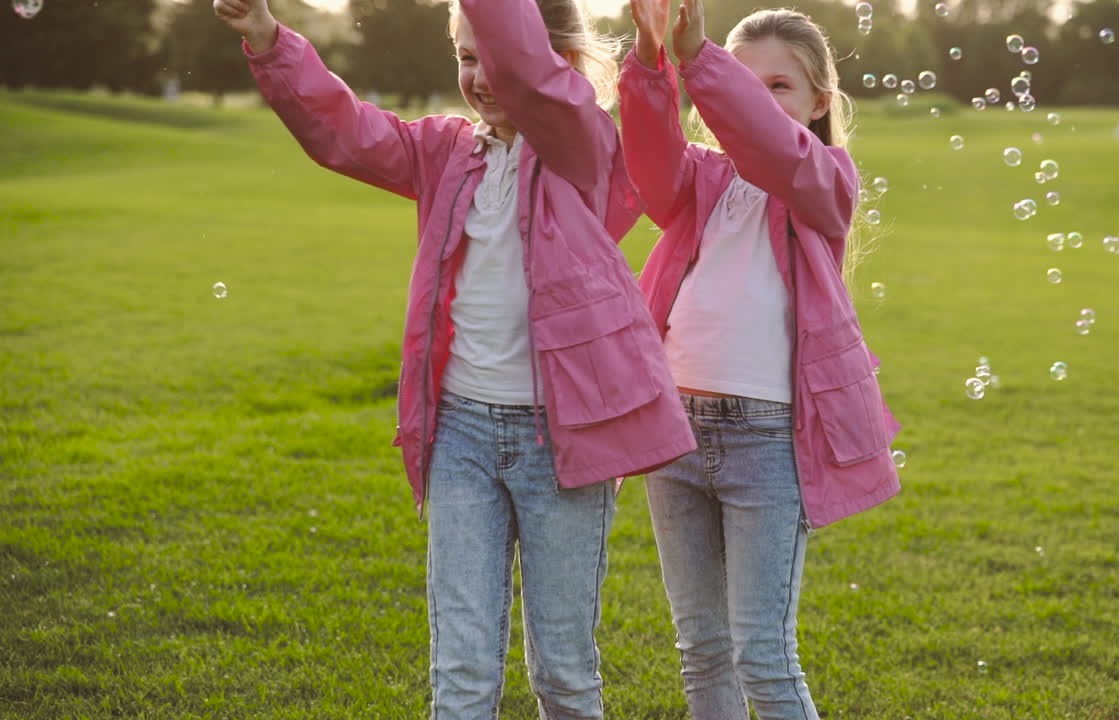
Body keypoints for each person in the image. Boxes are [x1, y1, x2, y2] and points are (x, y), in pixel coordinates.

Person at [210, 0, 696, 717]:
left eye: (492, 55)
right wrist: (268, 40)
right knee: (461, 675)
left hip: (561, 442)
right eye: (465, 58)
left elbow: (531, 73)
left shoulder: (579, 143)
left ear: (554, 59)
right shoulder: (442, 151)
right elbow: (345, 131)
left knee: (563, 674)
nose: (480, 75)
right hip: (462, 438)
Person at [618, 0, 901, 717]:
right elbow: (649, 165)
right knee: (701, 654)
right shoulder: (702, 181)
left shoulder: (825, 181)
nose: (752, 99)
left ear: (818, 105)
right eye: (741, 82)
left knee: (763, 658)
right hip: (675, 431)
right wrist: (654, 62)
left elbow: (776, 150)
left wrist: (705, 64)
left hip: (766, 441)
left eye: (776, 86)